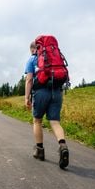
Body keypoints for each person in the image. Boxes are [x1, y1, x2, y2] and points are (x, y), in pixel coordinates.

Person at [24, 41, 69, 169]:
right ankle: (62, 145)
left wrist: (26, 97)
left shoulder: (32, 59)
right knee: (55, 122)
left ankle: (39, 151)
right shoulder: (54, 58)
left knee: (37, 121)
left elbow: (29, 80)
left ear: (33, 49)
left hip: (40, 92)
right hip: (57, 91)